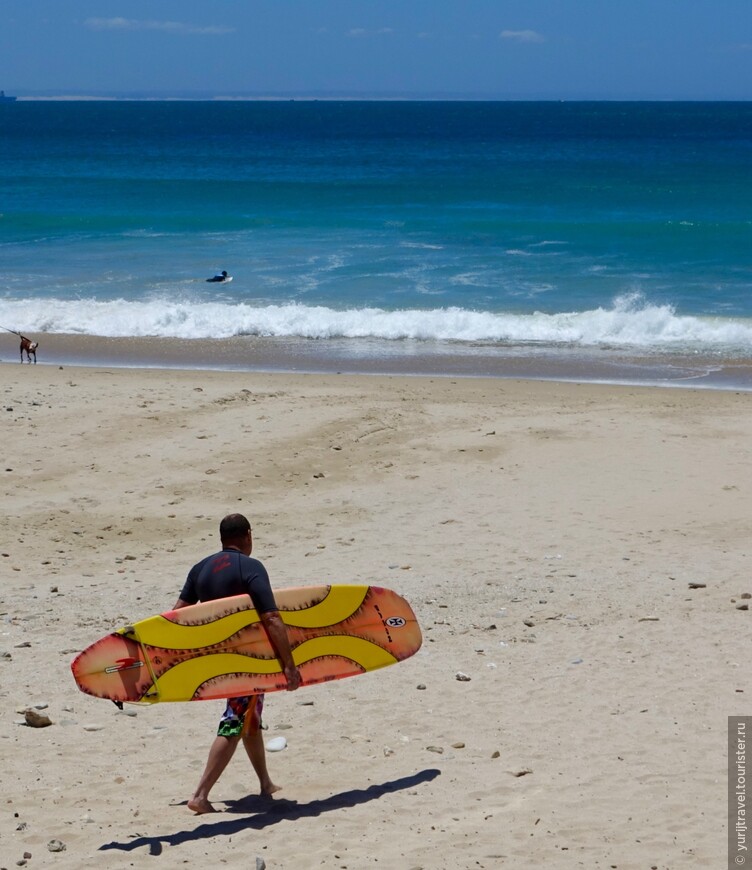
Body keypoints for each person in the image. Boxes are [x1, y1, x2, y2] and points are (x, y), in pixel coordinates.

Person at [173, 513, 301, 814]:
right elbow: (271, 617)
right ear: (247, 535)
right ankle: (201, 795)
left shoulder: (200, 570)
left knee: (250, 721)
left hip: (220, 662)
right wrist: (289, 665)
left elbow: (176, 617)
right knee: (233, 722)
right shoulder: (251, 567)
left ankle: (265, 783)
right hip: (249, 662)